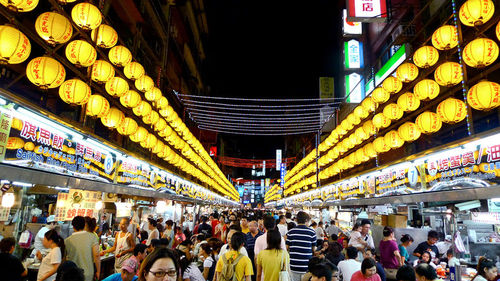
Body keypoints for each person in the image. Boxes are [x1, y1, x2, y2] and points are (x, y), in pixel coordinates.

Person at [65, 216, 100, 281]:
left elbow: (64, 259)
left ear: (73, 226)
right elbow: (97, 255)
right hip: (88, 273)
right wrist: (98, 271)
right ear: (84, 225)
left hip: (72, 275)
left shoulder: (67, 241)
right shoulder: (92, 237)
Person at [286, 211, 317, 281]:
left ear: (296, 220)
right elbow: (313, 249)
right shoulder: (312, 232)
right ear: (306, 220)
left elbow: (286, 248)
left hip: (293, 265)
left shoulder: (291, 232)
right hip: (306, 266)